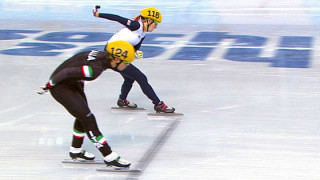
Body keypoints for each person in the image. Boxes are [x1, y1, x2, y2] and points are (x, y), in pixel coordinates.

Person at [38, 41, 135, 168]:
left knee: (82, 115)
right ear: (116, 59)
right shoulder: (95, 69)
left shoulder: (102, 56)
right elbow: (66, 72)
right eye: (126, 63)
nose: (127, 66)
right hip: (60, 86)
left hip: (72, 83)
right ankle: (108, 156)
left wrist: (80, 89)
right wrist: (49, 85)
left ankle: (75, 150)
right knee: (88, 118)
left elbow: (78, 63)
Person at [93, 6, 175, 113]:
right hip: (111, 56)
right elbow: (117, 18)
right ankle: (159, 104)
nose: (156, 27)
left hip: (118, 55)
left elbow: (134, 48)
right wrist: (98, 14)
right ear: (149, 20)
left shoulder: (142, 34)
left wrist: (136, 52)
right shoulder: (136, 26)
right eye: (155, 24)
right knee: (141, 78)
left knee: (129, 78)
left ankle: (122, 100)